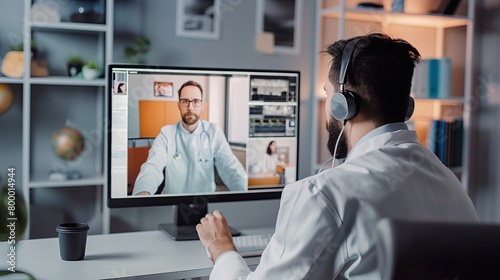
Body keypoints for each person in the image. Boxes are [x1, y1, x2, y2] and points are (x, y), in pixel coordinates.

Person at [196, 33, 479, 279]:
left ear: (343, 106)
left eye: (329, 95)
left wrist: (222, 249)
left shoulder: (323, 194)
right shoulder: (448, 181)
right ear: (406, 107)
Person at [132, 80, 247, 195]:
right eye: (185, 101)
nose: (190, 108)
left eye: (196, 101)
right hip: (171, 201)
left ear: (202, 106)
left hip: (204, 202)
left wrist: (244, 194)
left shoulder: (213, 131)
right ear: (179, 105)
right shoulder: (167, 133)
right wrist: (143, 192)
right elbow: (152, 167)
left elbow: (230, 166)